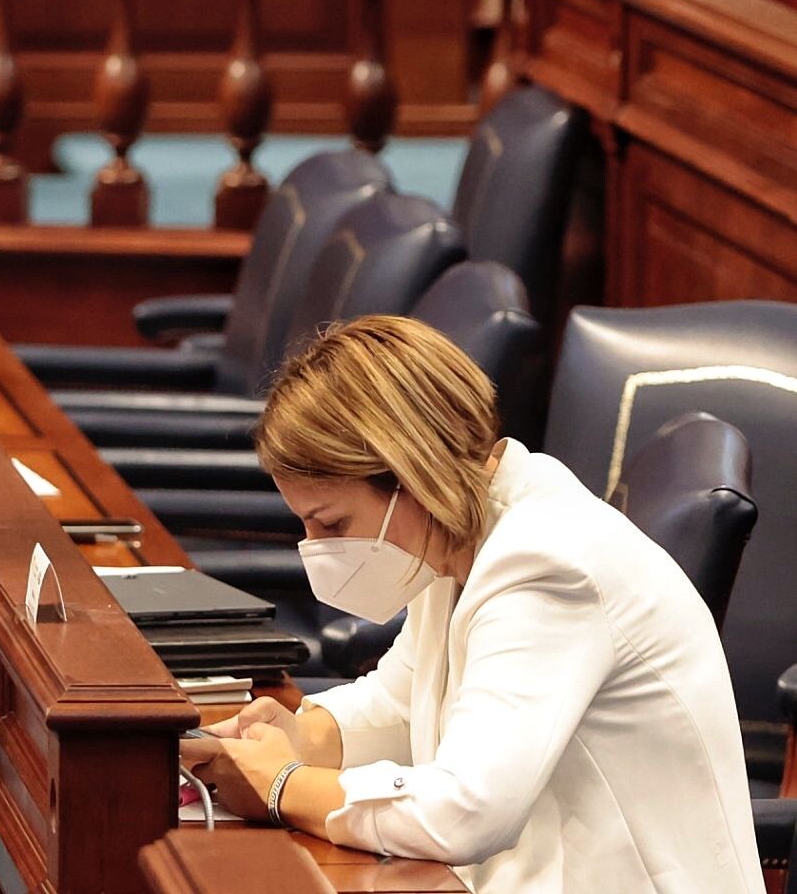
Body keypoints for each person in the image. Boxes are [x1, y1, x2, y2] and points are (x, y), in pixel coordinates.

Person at [180, 315, 760, 892]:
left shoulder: (547, 562)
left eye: (332, 522)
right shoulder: (458, 528)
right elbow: (406, 702)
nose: (318, 548)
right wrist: (308, 733)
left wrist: (283, 785)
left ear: (412, 477)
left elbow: (467, 811)